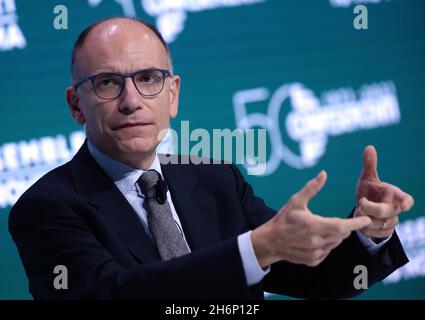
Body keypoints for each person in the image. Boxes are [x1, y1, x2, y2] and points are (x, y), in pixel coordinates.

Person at [8, 17, 414, 300]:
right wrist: (255, 250)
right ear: (76, 104)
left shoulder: (215, 180)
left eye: (148, 79)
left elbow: (322, 279)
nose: (131, 101)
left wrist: (369, 231)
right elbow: (112, 294)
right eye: (108, 83)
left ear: (173, 95)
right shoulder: (46, 208)